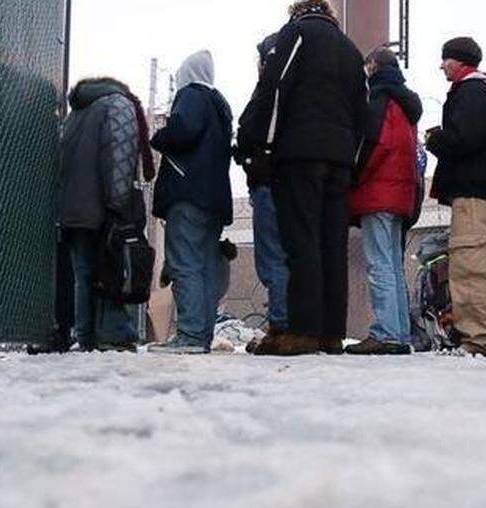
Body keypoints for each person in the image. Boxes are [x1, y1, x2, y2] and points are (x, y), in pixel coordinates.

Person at [236, 0, 367, 357]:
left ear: (297, 12)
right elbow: (363, 111)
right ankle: (331, 333)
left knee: (301, 239)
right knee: (332, 244)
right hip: (340, 160)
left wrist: (264, 147)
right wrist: (353, 162)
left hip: (299, 153)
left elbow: (276, 89)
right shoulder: (351, 50)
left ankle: (303, 331)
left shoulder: (295, 33)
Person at [425, 37, 486, 357]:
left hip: (473, 192)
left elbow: (468, 138)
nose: (442, 66)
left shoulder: (472, 91)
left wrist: (436, 139)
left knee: (471, 265)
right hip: (479, 192)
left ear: (460, 61)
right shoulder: (481, 90)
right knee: (473, 263)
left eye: (446, 59)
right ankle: (478, 336)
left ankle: (479, 339)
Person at [57, 77, 155, 351]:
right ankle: (112, 335)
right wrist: (120, 205)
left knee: (83, 274)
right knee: (111, 270)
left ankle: (86, 337)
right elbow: (120, 157)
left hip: (73, 208)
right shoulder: (118, 104)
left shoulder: (76, 113)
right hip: (102, 205)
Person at [147, 50, 234, 355]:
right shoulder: (220, 106)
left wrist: (159, 137)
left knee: (184, 262)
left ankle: (190, 335)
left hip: (187, 193)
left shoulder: (191, 96)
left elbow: (183, 130)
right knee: (206, 266)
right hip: (214, 199)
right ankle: (201, 334)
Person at [345, 48, 423, 355]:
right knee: (392, 265)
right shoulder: (406, 104)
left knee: (379, 265)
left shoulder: (381, 98)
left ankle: (387, 333)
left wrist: (354, 177)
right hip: (400, 194)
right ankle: (399, 332)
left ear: (374, 66)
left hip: (378, 192)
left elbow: (375, 145)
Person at [236, 33, 291, 353]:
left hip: (267, 180)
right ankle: (286, 322)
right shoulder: (298, 90)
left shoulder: (269, 91)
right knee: (285, 256)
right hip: (290, 182)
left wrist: (246, 154)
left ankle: (280, 325)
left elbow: (251, 130)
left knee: (272, 258)